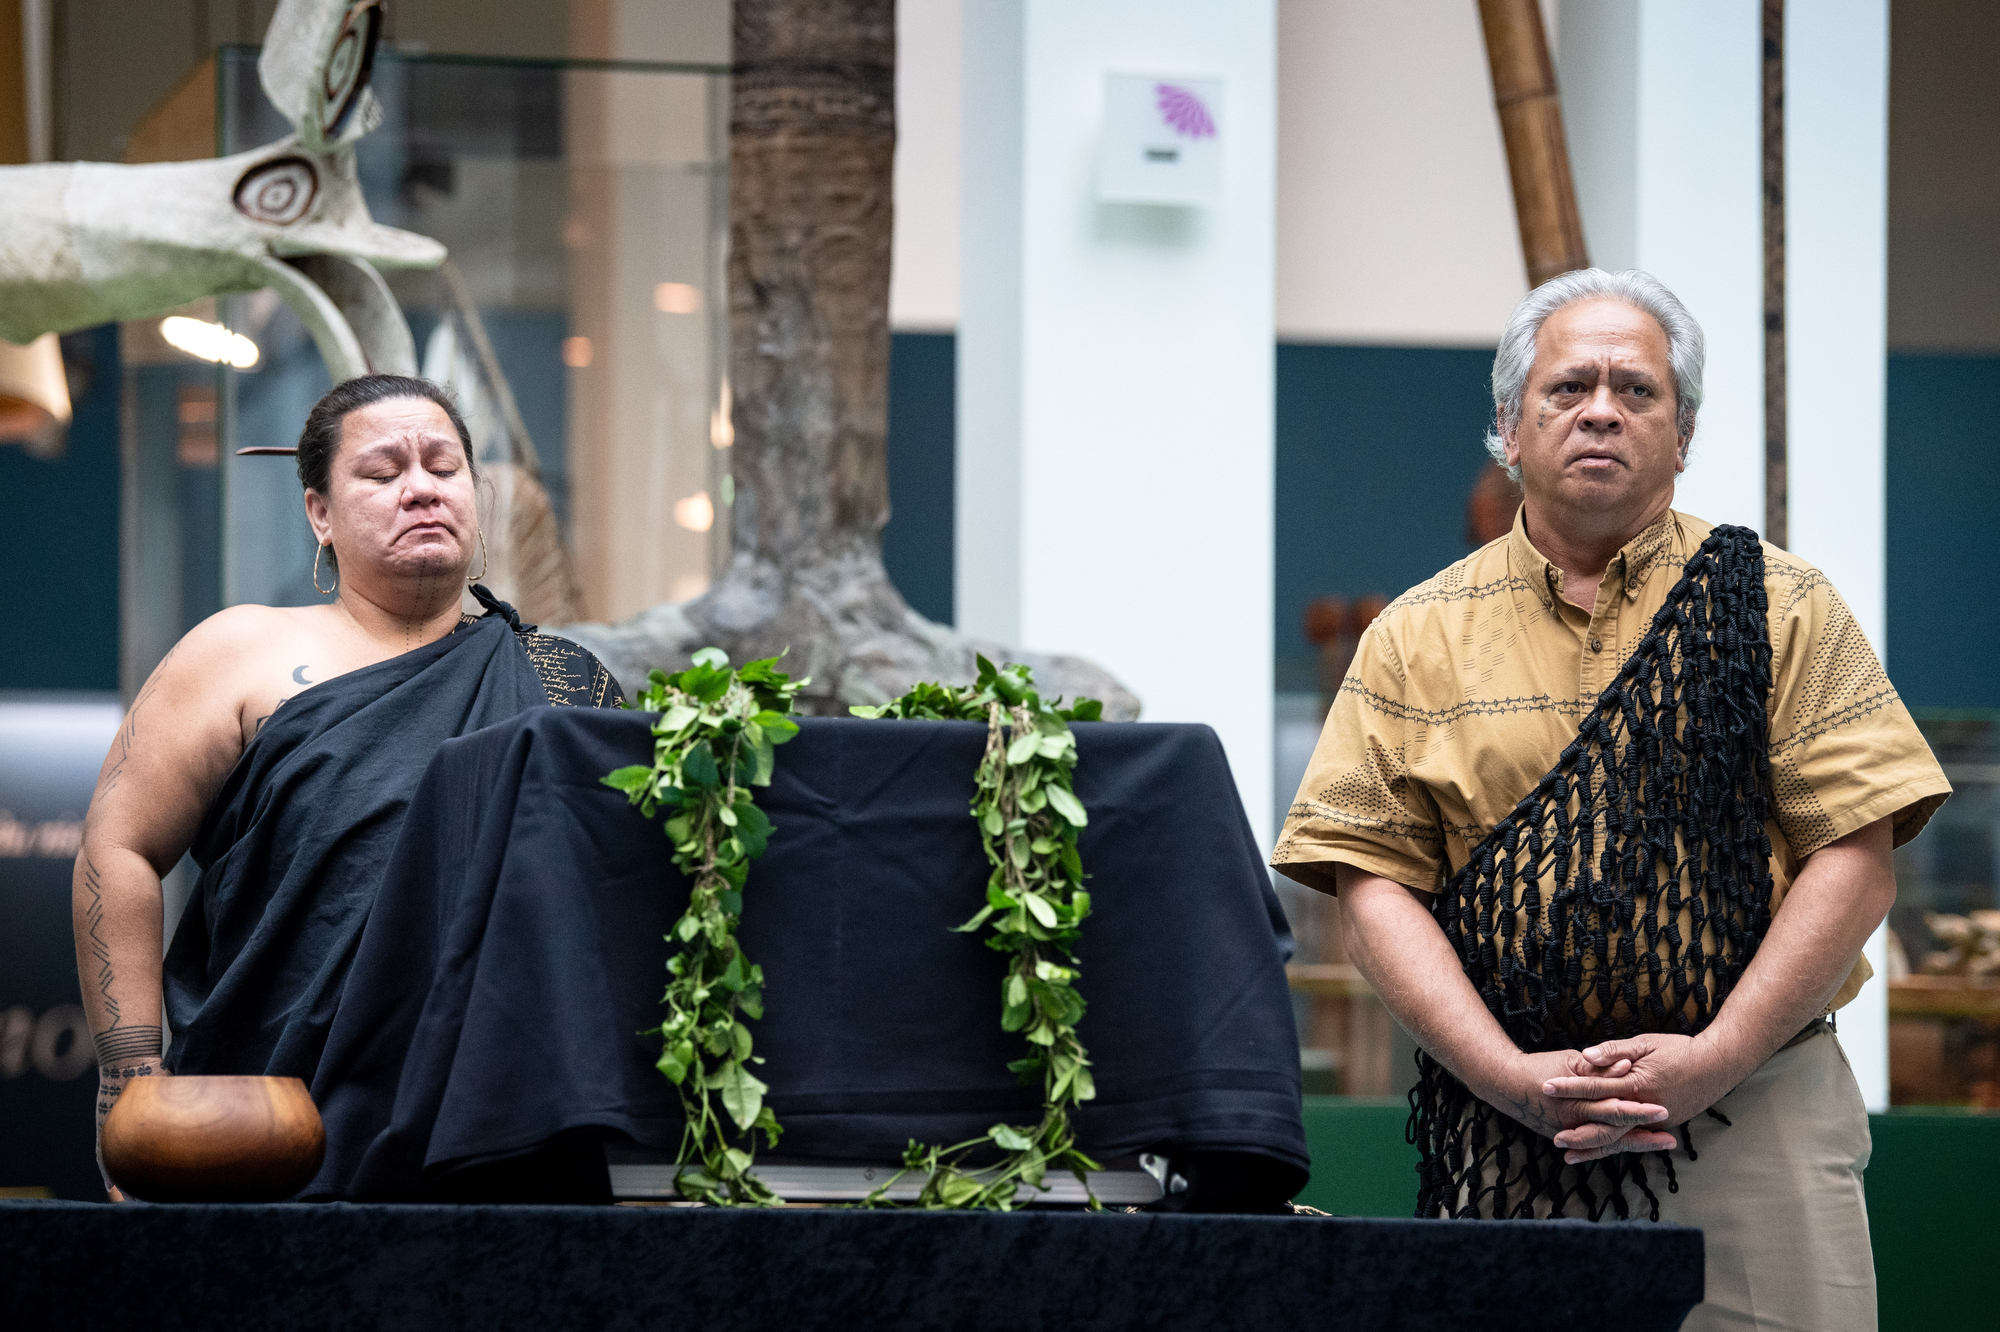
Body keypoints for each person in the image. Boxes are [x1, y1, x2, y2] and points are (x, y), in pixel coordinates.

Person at [1272, 269, 1950, 1331]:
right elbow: (1371, 884)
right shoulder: (1414, 635)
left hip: (1756, 1111)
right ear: (1509, 426)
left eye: (1636, 390)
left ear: (1682, 433)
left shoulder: (1781, 606)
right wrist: (1507, 1075)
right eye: (1567, 387)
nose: (1600, 410)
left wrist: (1717, 1056)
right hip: (1506, 1127)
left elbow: (1855, 858)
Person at [72, 374, 623, 1195]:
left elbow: (622, 891)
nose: (421, 489)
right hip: (270, 1116)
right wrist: (128, 1076)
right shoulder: (240, 653)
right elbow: (117, 848)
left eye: (444, 467)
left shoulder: (565, 681)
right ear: (319, 513)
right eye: (383, 471)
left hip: (516, 1122)